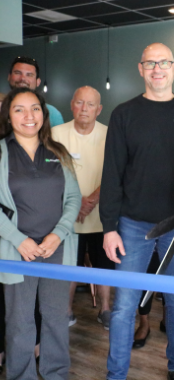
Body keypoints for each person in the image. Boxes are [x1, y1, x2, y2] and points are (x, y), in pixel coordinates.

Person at [100, 43, 174, 380]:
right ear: (141, 69)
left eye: (163, 62)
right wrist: (109, 227)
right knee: (123, 306)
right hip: (131, 225)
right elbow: (112, 173)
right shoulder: (124, 113)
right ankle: (116, 373)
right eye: (150, 63)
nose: (157, 68)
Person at [0, 87, 81, 380]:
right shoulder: (1, 152)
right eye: (18, 109)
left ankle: (56, 373)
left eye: (34, 108)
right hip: (16, 251)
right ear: (9, 117)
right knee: (20, 321)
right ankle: (21, 376)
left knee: (56, 317)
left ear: (43, 115)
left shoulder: (57, 152)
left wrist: (57, 235)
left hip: (56, 248)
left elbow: (73, 199)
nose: (28, 116)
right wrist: (18, 239)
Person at [52, 86, 112, 329]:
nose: (84, 109)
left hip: (101, 214)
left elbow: (115, 173)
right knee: (69, 266)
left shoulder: (110, 134)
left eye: (90, 104)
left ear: (99, 110)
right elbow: (51, 171)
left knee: (104, 267)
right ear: (71, 105)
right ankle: (66, 310)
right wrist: (75, 203)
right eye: (79, 103)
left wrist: (91, 201)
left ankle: (106, 309)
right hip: (67, 215)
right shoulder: (55, 133)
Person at [7, 56, 64, 127]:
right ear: (9, 77)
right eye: (17, 73)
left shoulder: (52, 113)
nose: (22, 78)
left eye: (29, 75)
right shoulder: (2, 107)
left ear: (38, 82)